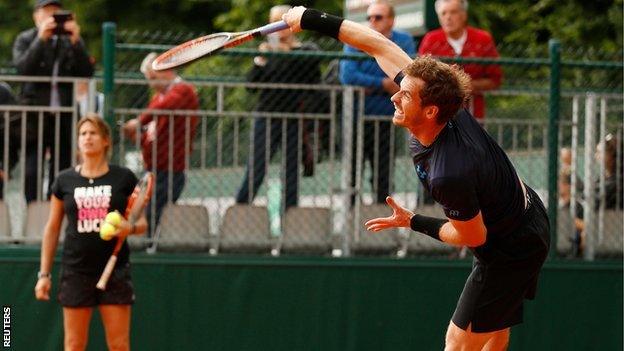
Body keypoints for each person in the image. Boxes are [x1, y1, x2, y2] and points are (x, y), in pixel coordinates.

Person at [282, 7, 549, 350]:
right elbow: (377, 45)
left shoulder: (449, 171)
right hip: (524, 215)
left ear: (430, 111)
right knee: (494, 330)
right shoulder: (440, 108)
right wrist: (312, 19)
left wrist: (414, 221)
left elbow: (473, 234)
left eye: (404, 95)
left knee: (457, 342)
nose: (394, 95)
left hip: (509, 246)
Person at [34, 115, 147, 351]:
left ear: (106, 140)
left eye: (93, 133)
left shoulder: (123, 178)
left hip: (115, 270)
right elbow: (53, 228)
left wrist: (130, 228)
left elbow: (142, 223)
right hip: (76, 270)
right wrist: (44, 274)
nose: (87, 138)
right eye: (83, 134)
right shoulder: (64, 180)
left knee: (119, 345)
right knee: (74, 345)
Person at [235, 5, 323, 209]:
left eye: (283, 22)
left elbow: (311, 74)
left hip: (293, 117)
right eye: (274, 23)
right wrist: (261, 59)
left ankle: (290, 214)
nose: (279, 28)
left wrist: (286, 51)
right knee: (256, 166)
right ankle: (240, 207)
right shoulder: (267, 52)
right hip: (266, 115)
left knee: (291, 170)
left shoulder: (305, 50)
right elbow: (251, 85)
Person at [12, 0, 94, 202]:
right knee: (32, 170)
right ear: (36, 16)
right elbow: (23, 69)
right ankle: (31, 213)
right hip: (34, 114)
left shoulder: (69, 41)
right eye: (47, 13)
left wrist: (76, 41)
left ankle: (55, 212)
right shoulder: (26, 39)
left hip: (64, 114)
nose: (52, 18)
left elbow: (86, 72)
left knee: (61, 170)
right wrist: (41, 40)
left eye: (57, 14)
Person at [339, 0, 415, 204]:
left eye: (378, 17)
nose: (372, 21)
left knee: (383, 170)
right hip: (356, 116)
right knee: (353, 169)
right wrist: (383, 82)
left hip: (387, 117)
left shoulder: (403, 40)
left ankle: (383, 216)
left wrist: (371, 83)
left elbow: (407, 74)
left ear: (391, 20)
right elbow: (348, 76)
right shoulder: (354, 40)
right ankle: (351, 221)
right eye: (369, 17)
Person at [122, 52, 199, 237]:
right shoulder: (158, 97)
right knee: (140, 211)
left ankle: (149, 247)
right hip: (152, 169)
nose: (152, 84)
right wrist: (137, 136)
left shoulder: (183, 90)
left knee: (152, 214)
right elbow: (151, 134)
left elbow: (164, 107)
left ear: (167, 70)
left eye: (154, 78)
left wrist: (139, 121)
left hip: (171, 170)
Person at [418, 0, 502, 121]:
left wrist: (465, 85)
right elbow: (421, 77)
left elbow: (495, 79)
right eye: (443, 13)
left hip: (473, 115)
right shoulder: (431, 40)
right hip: (437, 114)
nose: (448, 17)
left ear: (464, 15)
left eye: (453, 12)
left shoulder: (482, 39)